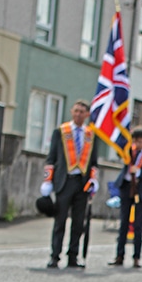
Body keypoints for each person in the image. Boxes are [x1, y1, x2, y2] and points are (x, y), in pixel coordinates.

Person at [42, 100, 98, 269]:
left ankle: (73, 256)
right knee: (60, 221)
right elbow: (51, 158)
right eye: (76, 111)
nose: (78, 114)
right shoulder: (61, 131)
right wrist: (47, 180)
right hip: (64, 182)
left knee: (78, 223)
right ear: (71, 112)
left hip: (81, 184)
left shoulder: (90, 134)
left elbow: (93, 162)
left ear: (87, 114)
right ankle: (55, 256)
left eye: (82, 111)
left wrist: (94, 180)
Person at [108, 127, 142, 268]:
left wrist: (140, 171)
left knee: (138, 225)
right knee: (123, 223)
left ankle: (136, 257)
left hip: (140, 191)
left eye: (140, 142)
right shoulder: (129, 151)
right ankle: (119, 255)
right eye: (135, 141)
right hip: (127, 188)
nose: (137, 144)